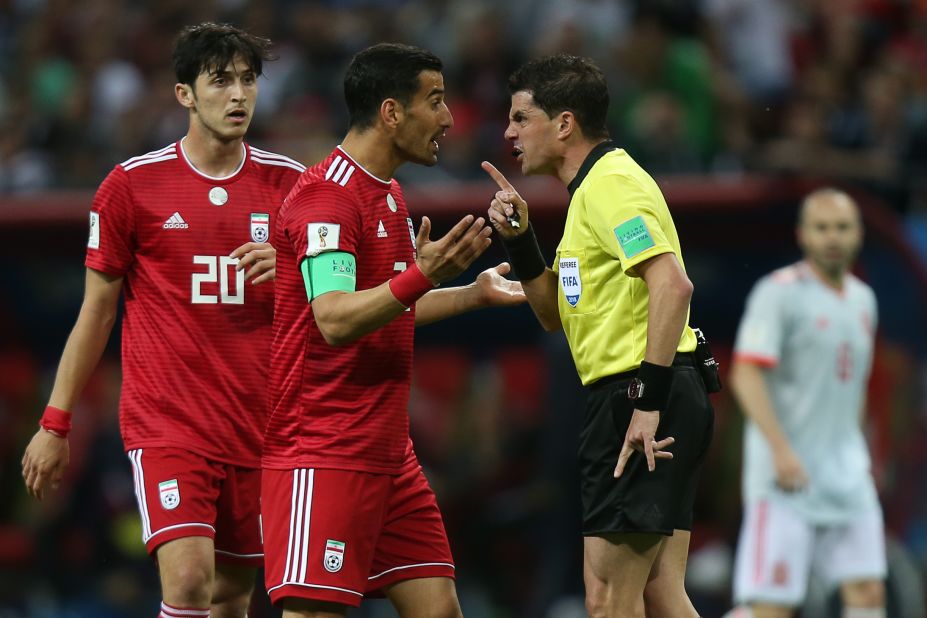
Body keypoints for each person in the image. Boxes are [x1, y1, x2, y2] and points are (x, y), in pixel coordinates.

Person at [21, 22, 305, 618]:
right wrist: (55, 423)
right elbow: (95, 314)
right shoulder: (132, 187)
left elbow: (332, 305)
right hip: (169, 425)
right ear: (184, 94)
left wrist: (293, 274)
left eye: (248, 81)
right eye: (220, 80)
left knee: (232, 594)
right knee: (189, 583)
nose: (238, 95)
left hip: (262, 426)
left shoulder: (292, 186)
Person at [261, 43, 524, 617]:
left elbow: (387, 311)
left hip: (388, 457)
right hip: (323, 452)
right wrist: (424, 274)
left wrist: (469, 294)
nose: (449, 118)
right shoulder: (326, 201)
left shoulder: (387, 193)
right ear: (390, 112)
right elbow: (333, 319)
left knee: (441, 611)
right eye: (434, 101)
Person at [481, 54, 714, 618]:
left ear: (564, 123)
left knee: (609, 598)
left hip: (638, 397)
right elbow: (551, 316)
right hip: (652, 392)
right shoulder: (589, 195)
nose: (509, 132)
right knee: (659, 592)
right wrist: (519, 239)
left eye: (520, 117)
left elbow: (673, 285)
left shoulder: (611, 185)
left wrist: (647, 402)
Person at [724, 189, 886, 618]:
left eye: (842, 227)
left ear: (858, 234)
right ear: (803, 235)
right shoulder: (778, 293)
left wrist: (861, 450)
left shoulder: (863, 300)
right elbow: (746, 373)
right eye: (822, 227)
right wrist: (779, 449)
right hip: (786, 480)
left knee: (868, 591)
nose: (832, 237)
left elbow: (853, 385)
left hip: (845, 473)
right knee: (773, 607)